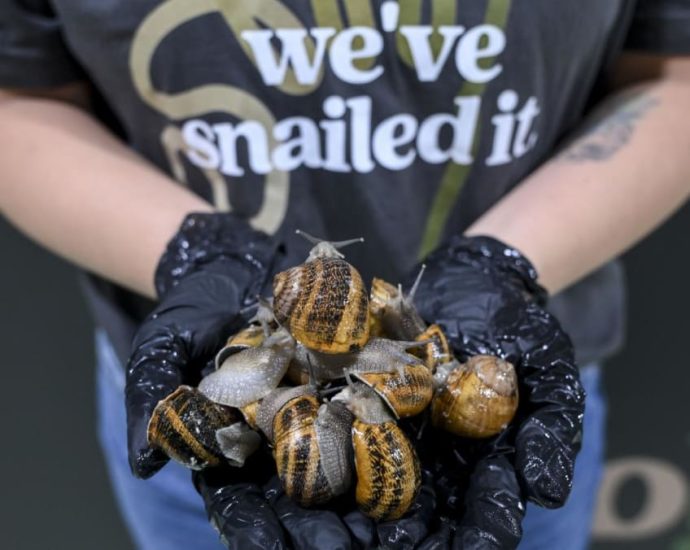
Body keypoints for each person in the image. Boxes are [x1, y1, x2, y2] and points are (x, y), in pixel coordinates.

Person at [1, 1, 689, 548]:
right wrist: (200, 253)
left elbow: (670, 75)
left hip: (510, 412)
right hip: (194, 402)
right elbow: (20, 98)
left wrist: (502, 260)